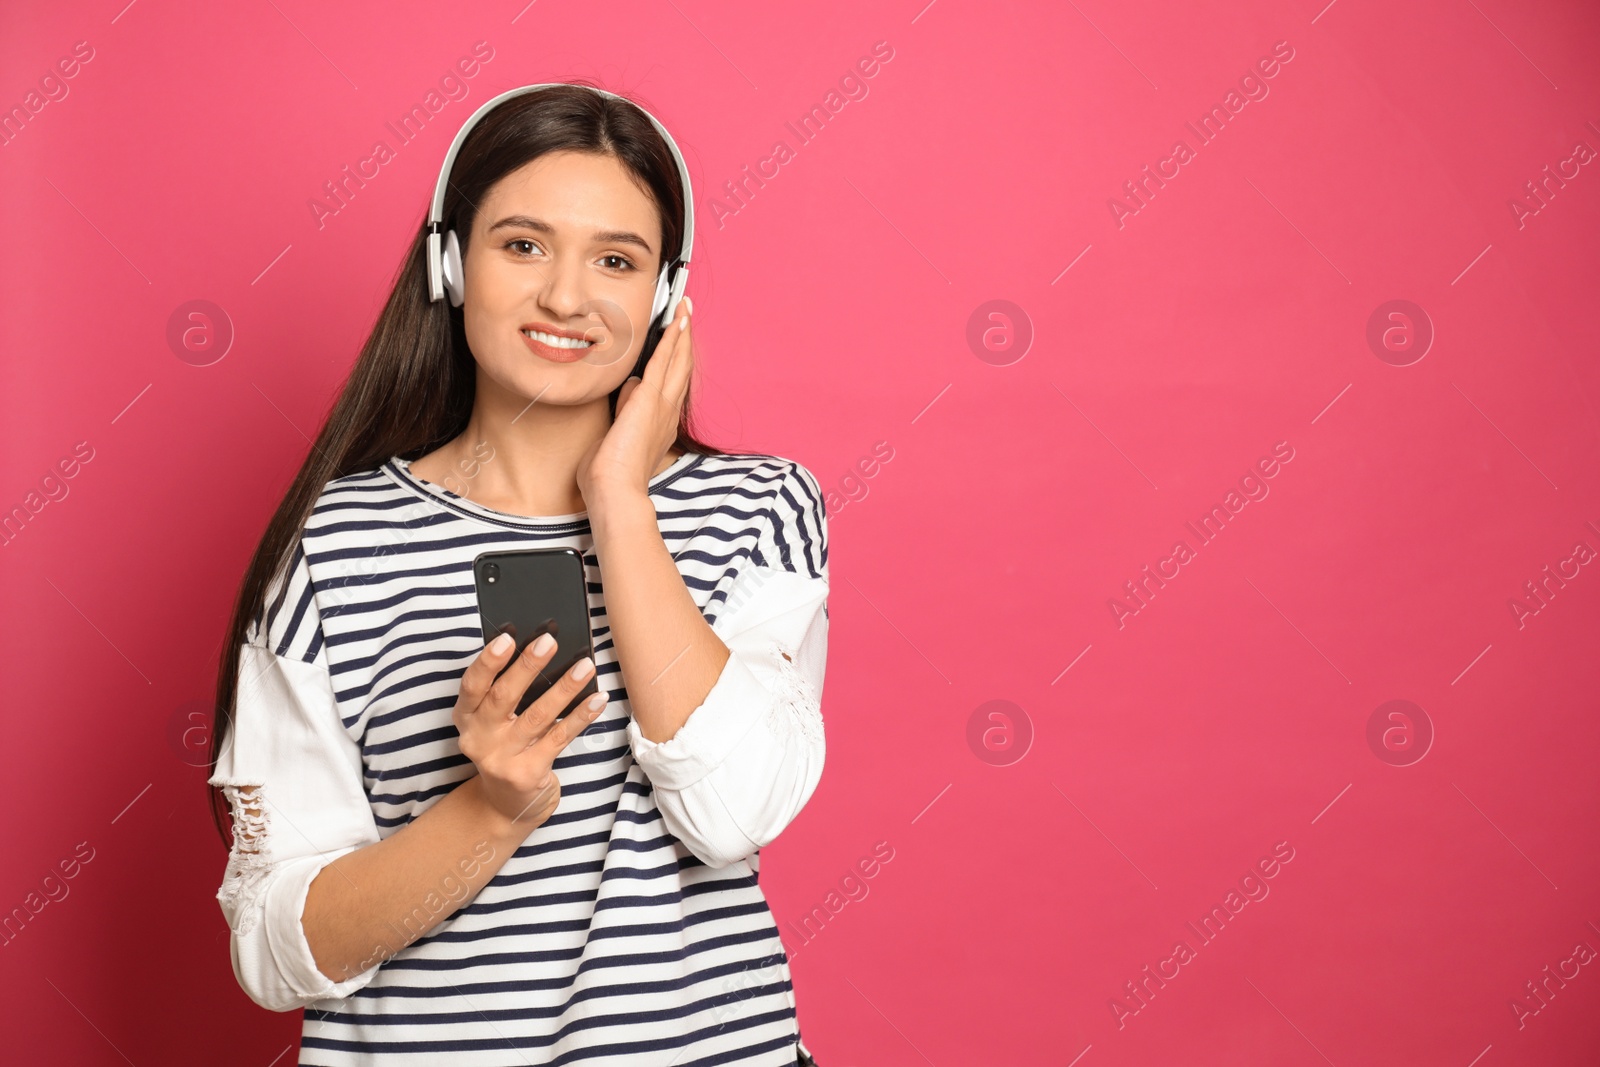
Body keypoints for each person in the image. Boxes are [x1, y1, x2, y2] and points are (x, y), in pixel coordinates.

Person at [205, 82, 827, 1066]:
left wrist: (619, 499)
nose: (567, 297)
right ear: (451, 264)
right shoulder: (338, 540)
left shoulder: (759, 509)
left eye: (615, 260)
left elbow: (734, 810)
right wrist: (490, 809)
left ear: (666, 294)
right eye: (523, 244)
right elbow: (276, 949)